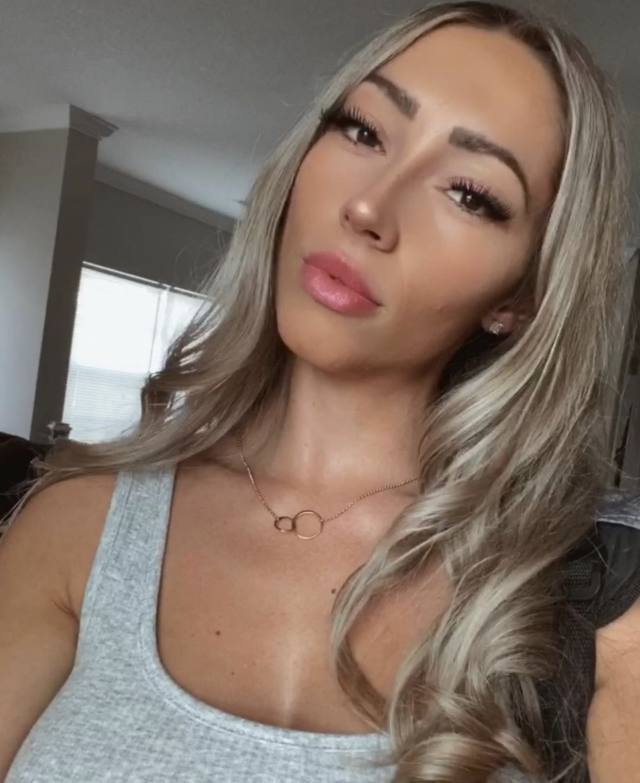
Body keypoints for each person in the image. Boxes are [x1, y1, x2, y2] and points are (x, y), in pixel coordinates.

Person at [1, 2, 638, 781]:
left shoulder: (599, 594)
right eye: (363, 130)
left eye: (470, 193)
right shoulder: (77, 523)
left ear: (521, 296)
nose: (369, 207)